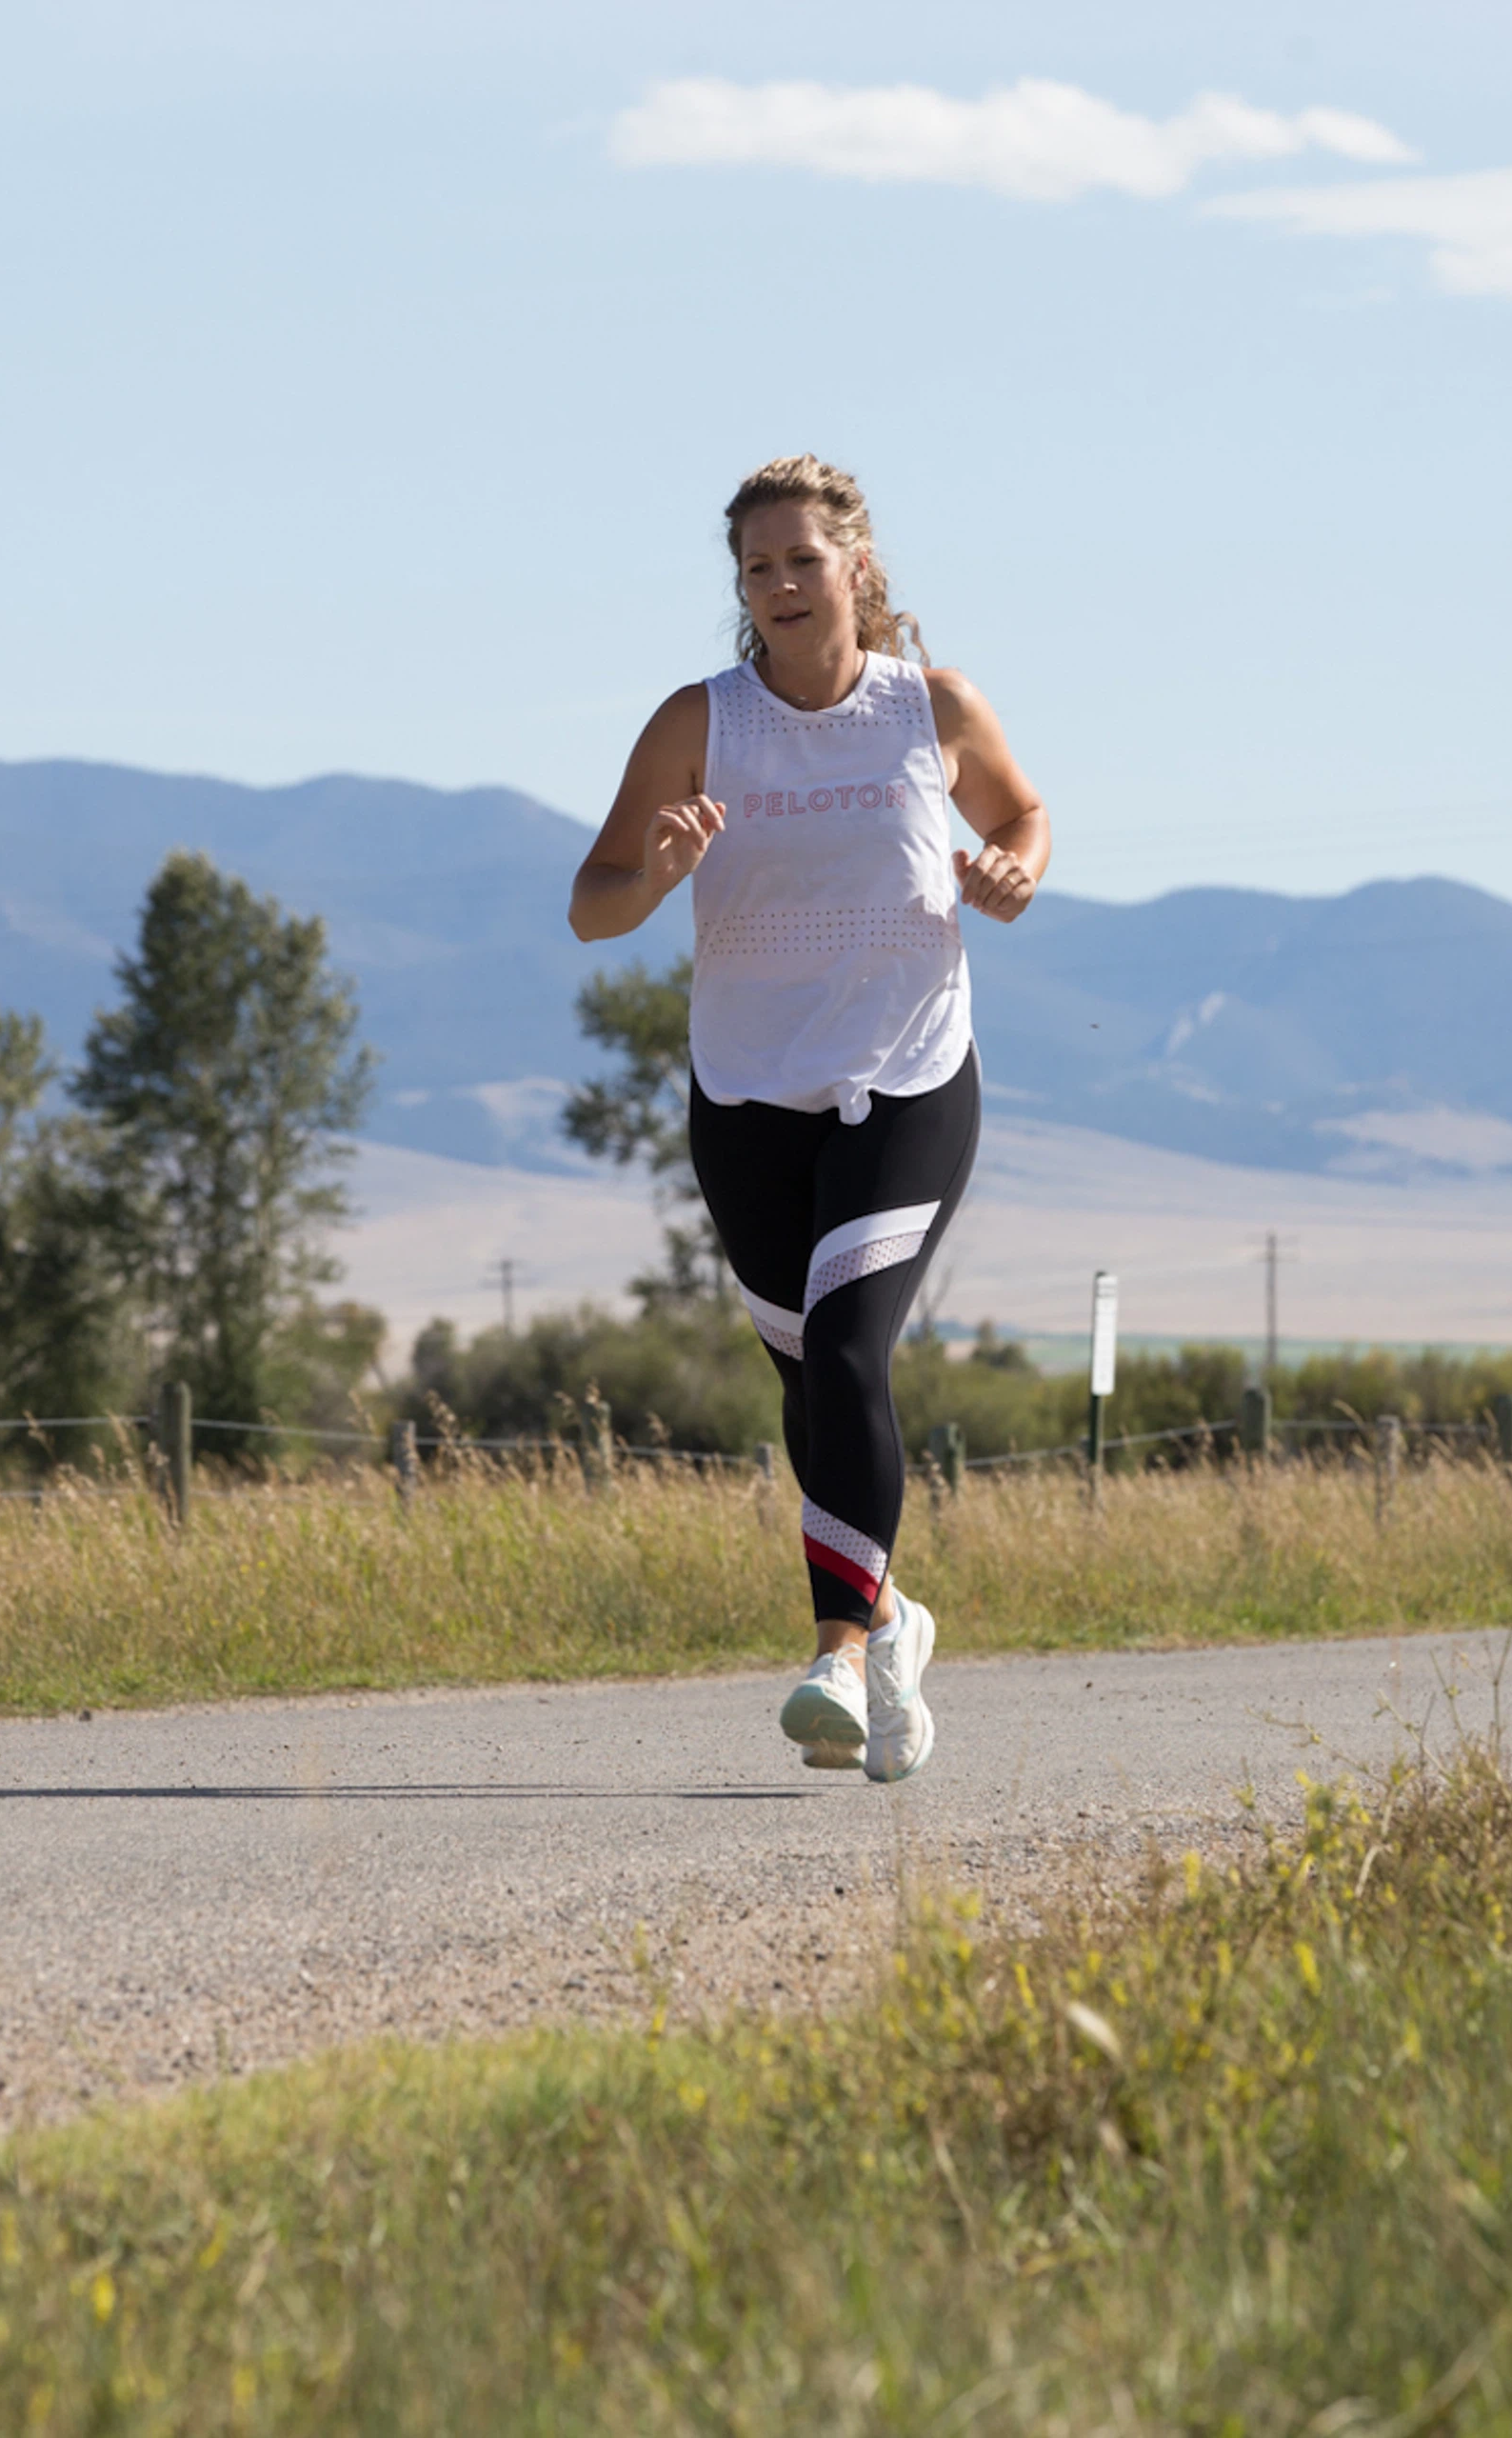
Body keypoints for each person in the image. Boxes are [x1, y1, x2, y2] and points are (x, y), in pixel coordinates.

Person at [568, 454, 1049, 1782]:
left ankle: (837, 1654)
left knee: (845, 1346)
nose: (780, 585)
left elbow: (1020, 813)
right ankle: (893, 1623)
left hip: (907, 1078)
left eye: (802, 559)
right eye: (756, 568)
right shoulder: (699, 722)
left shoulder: (930, 706)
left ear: (858, 566)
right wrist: (659, 874)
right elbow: (594, 902)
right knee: (810, 1381)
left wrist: (1013, 870)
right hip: (745, 1094)